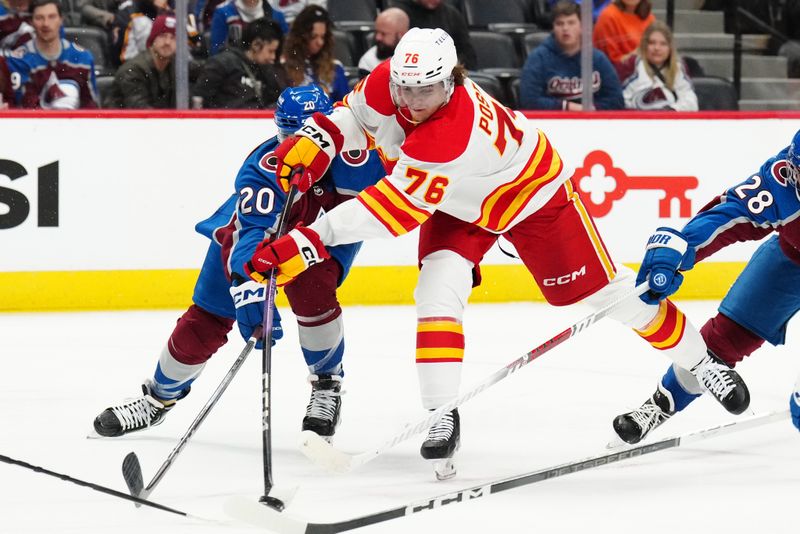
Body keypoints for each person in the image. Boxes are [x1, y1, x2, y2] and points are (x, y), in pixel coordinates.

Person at [243, 27, 751, 480]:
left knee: (609, 296)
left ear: (451, 81)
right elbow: (354, 114)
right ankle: (442, 414)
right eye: (406, 88)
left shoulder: (448, 135)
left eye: (427, 90)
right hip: (459, 200)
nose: (413, 100)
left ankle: (701, 361)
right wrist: (319, 138)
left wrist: (307, 240)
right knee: (436, 289)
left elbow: (391, 212)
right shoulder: (390, 80)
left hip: (530, 197)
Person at [93, 85, 386, 441]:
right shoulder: (264, 168)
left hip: (325, 234)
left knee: (312, 288)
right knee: (207, 318)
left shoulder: (365, 159)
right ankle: (157, 398)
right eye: (286, 135)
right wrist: (248, 286)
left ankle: (326, 385)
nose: (294, 147)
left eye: (304, 136)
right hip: (245, 240)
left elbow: (417, 188)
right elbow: (250, 234)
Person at [613, 129, 800, 444]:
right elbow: (732, 214)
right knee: (720, 342)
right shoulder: (783, 179)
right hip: (791, 258)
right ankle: (660, 405)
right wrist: (681, 247)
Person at [519, 0, 623, 111]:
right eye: (560, 23)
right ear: (553, 27)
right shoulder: (538, 58)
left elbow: (616, 100)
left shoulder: (598, 59)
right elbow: (529, 100)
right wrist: (567, 107)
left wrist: (593, 110)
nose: (565, 28)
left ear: (582, 27)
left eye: (571, 23)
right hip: (551, 123)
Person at [7, 0, 98, 109]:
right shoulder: (18, 61)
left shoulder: (83, 58)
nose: (46, 24)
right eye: (39, 18)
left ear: (61, 20)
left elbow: (91, 107)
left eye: (52, 17)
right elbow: (25, 108)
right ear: (31, 22)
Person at [193, 17, 284, 109]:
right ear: (256, 45)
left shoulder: (266, 70)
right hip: (223, 121)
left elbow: (276, 100)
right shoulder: (223, 63)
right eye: (270, 51)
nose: (273, 57)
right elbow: (199, 98)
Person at [617, 20, 698, 111]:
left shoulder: (678, 67)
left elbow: (691, 102)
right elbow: (620, 101)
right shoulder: (631, 65)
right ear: (645, 45)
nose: (657, 48)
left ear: (670, 48)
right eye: (652, 43)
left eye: (663, 44)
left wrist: (670, 110)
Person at [104, 13, 177, 108]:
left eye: (173, 38)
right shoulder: (133, 70)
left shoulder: (175, 65)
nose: (167, 42)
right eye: (162, 36)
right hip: (117, 122)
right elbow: (141, 111)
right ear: (152, 40)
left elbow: (202, 69)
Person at [282, 5, 347, 101]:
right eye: (313, 36)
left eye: (323, 37)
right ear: (300, 36)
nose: (320, 42)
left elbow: (345, 106)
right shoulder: (284, 67)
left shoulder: (335, 67)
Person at [393, 0, 475, 70]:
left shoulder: (452, 14)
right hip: (409, 70)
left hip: (447, 72)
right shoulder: (399, 14)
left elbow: (467, 53)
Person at [208, 0, 287, 56]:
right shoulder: (223, 13)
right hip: (234, 70)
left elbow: (286, 51)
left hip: (269, 70)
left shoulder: (276, 16)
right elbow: (216, 52)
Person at [593, 0, 655, 65]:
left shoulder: (650, 18)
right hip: (617, 71)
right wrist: (635, 54)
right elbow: (610, 61)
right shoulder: (608, 16)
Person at [357, 7, 409, 76]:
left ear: (401, 35)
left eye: (383, 34)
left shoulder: (419, 56)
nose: (378, 37)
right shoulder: (368, 61)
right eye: (376, 32)